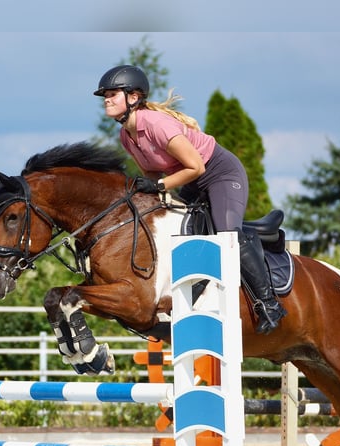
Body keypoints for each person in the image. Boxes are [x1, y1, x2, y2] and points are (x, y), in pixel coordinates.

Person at [94, 64, 286, 335]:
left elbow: (196, 167)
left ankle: (268, 304)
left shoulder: (156, 124)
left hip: (218, 173)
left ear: (133, 97)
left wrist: (159, 184)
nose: (107, 99)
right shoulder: (126, 135)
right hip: (187, 180)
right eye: (105, 95)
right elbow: (152, 172)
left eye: (112, 93)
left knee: (227, 236)